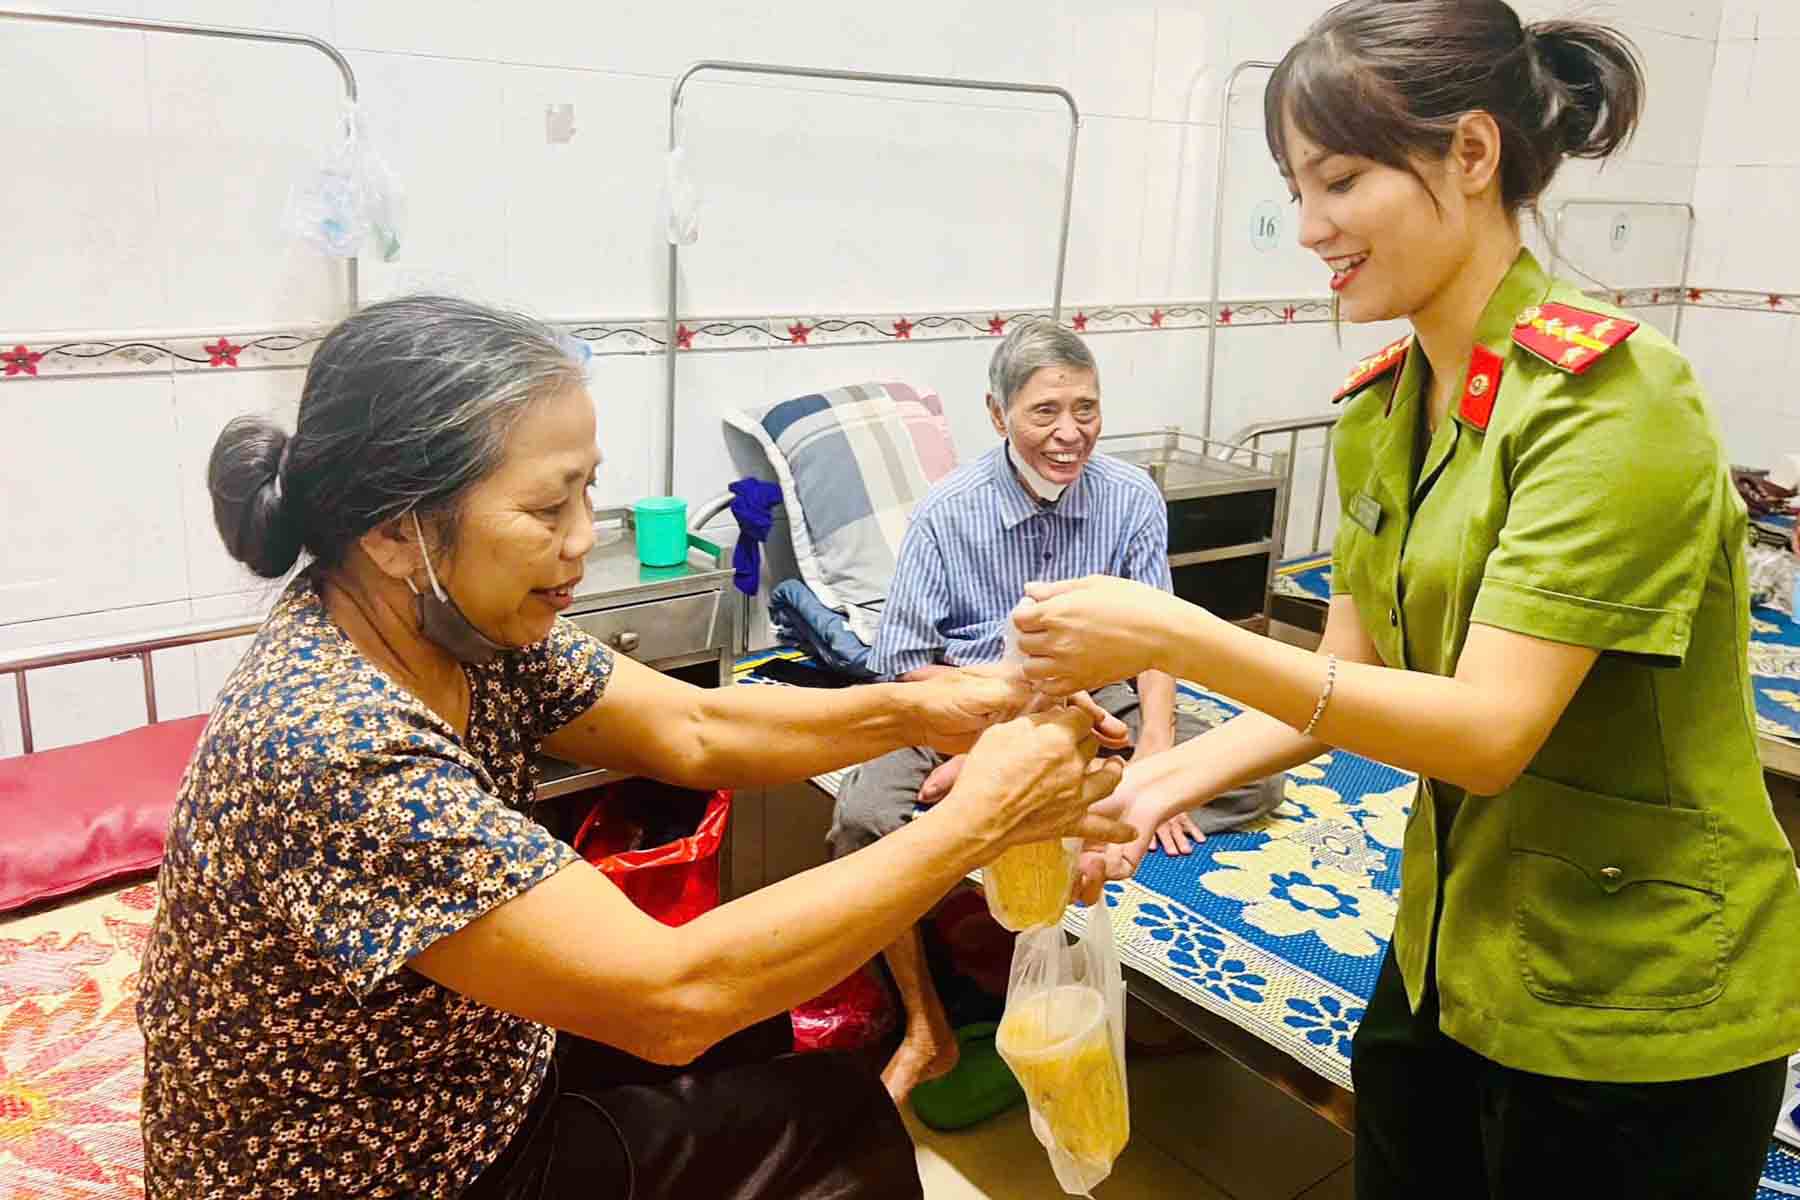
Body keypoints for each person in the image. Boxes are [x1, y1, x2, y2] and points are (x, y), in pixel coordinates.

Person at [1009, 4, 1800, 1197]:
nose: (1311, 228)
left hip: (1636, 992)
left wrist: (1178, 633)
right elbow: (1349, 675)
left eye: (1340, 181)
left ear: (1471, 155)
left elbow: (1485, 733)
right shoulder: (1384, 410)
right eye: (1296, 187)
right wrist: (1160, 782)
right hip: (1447, 947)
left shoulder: (1615, 405)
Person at [138, 295, 1133, 1200]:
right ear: (399, 530)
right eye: (546, 507)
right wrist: (980, 818)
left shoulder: (461, 627)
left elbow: (694, 725)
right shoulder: (336, 749)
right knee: (836, 1123)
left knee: (758, 1020)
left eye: (587, 495)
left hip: (455, 1073)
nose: (582, 539)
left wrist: (940, 706)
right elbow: (671, 999)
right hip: (386, 1167)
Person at [826, 317, 1283, 1100]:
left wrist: (1159, 756)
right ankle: (927, 1025)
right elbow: (902, 665)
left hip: (1097, 697)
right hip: (969, 705)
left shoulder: (1131, 495)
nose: (1070, 434)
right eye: (1045, 412)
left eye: (1087, 409)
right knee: (862, 818)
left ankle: (1061, 809)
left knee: (1256, 778)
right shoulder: (949, 512)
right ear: (998, 415)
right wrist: (991, 740)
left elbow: (1159, 642)